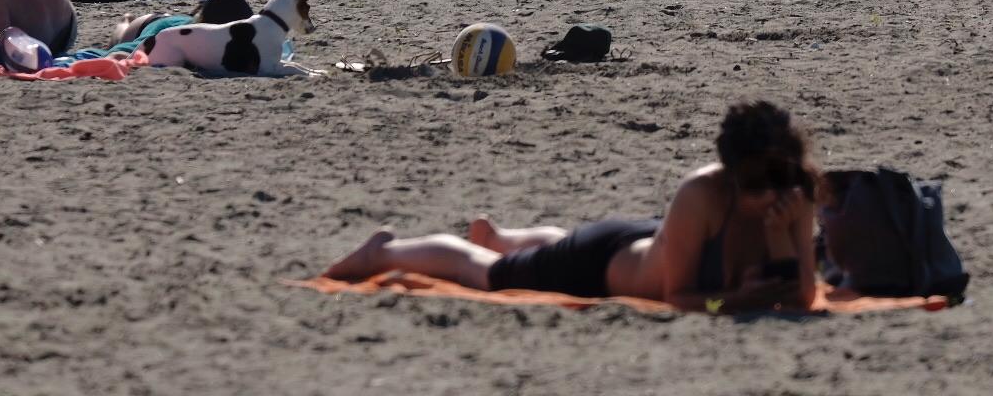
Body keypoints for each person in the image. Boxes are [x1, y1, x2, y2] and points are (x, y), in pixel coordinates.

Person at [322, 100, 819, 314]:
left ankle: (506, 237)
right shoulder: (702, 195)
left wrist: (781, 235)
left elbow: (798, 298)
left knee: (537, 252)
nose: (774, 195)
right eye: (759, 185)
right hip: (598, 266)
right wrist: (734, 302)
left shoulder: (795, 192)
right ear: (732, 177)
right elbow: (681, 299)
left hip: (645, 242)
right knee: (486, 272)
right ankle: (386, 250)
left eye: (784, 179)